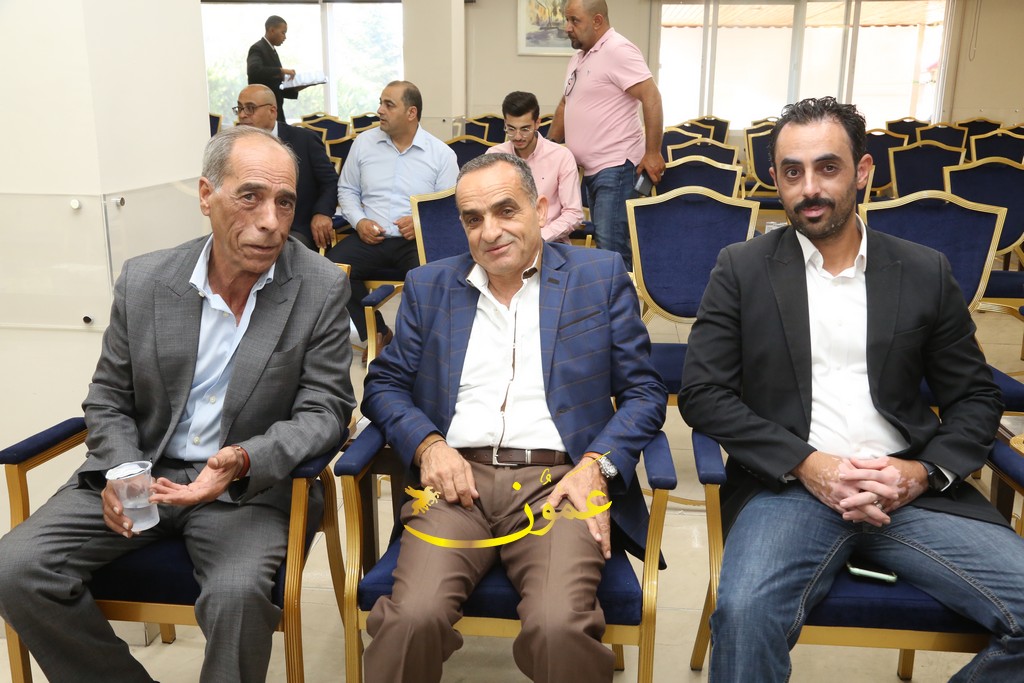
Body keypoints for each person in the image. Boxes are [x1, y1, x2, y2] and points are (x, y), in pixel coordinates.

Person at [678, 96, 1024, 681]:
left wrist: (920, 473)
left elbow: (975, 397)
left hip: (908, 491)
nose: (809, 188)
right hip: (788, 490)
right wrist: (809, 465)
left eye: (827, 167)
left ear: (862, 171)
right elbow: (703, 393)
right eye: (792, 171)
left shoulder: (924, 270)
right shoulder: (741, 268)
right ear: (775, 178)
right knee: (743, 614)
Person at [0, 126, 356, 683]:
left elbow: (327, 409)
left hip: (244, 491)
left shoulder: (319, 286)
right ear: (206, 195)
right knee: (16, 567)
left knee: (238, 597)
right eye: (251, 196)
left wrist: (243, 458)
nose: (271, 220)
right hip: (142, 474)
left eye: (285, 202)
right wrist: (122, 471)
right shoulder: (146, 280)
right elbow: (109, 397)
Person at [358, 152, 667, 683]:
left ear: (540, 209)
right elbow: (383, 384)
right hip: (456, 487)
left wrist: (596, 464)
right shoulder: (430, 286)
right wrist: (429, 446)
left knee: (557, 626)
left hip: (559, 486)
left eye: (506, 210)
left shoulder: (597, 277)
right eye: (473, 219)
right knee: (411, 619)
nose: (490, 232)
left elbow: (644, 392)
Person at [326, 80, 458, 361]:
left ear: (411, 113)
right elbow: (347, 190)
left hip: (415, 242)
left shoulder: (441, 155)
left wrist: (420, 222)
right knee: (331, 270)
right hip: (369, 238)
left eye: (389, 105)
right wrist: (359, 222)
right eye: (380, 103)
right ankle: (376, 332)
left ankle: (414, 343)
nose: (380, 110)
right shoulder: (364, 144)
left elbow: (448, 208)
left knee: (433, 278)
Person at [547, 0, 664, 268]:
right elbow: (565, 104)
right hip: (591, 171)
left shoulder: (617, 50)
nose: (567, 27)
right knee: (605, 245)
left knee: (611, 249)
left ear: (597, 21)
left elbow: (651, 97)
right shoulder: (579, 58)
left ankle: (622, 297)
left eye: (574, 20)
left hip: (616, 168)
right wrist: (548, 148)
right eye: (567, 20)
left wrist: (652, 152)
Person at [235, 84, 339, 251]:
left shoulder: (304, 140)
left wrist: (322, 212)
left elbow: (330, 183)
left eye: (250, 108)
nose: (242, 115)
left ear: (272, 111)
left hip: (296, 227)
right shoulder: (235, 145)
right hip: (249, 225)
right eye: (239, 108)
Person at [485, 91, 583, 244]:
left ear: (537, 123)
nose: (518, 136)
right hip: (505, 240)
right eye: (511, 129)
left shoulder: (561, 156)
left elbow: (573, 213)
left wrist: (539, 237)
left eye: (525, 129)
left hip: (549, 241)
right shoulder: (494, 156)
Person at [247, 15, 297, 122]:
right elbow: (254, 71)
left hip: (275, 109)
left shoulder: (272, 50)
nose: (285, 37)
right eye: (283, 32)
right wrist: (281, 71)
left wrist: (295, 88)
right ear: (272, 30)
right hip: (262, 111)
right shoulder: (257, 48)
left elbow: (274, 84)